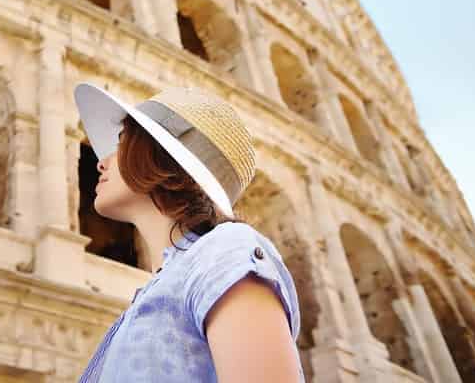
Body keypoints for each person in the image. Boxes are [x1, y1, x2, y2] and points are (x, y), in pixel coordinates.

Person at [74, 83, 303, 382]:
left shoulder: (224, 249)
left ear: (158, 156)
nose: (101, 162)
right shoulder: (161, 286)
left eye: (121, 141)